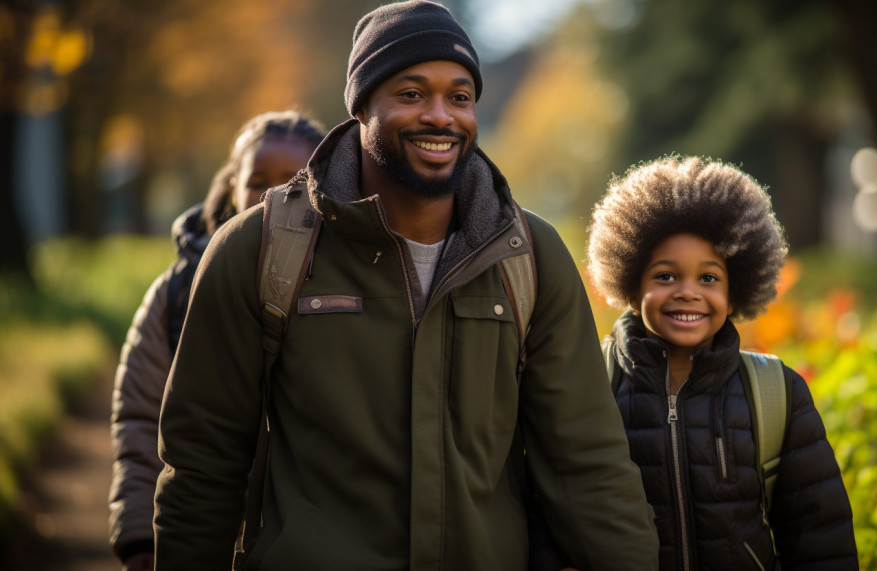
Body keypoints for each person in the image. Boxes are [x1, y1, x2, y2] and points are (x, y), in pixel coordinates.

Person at [153, 2, 658, 570]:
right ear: (362, 106)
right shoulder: (259, 250)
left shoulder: (531, 256)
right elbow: (202, 467)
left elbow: (587, 462)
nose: (441, 116)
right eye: (411, 94)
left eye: (459, 97)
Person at [585, 154, 858, 570]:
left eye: (708, 278)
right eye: (665, 276)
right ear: (630, 283)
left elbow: (820, 536)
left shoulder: (775, 394)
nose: (687, 292)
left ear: (735, 293)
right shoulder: (593, 387)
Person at [108, 110, 326, 571]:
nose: (272, 196)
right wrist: (139, 537)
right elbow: (142, 419)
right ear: (231, 187)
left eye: (294, 181)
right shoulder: (177, 291)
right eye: (257, 180)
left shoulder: (337, 290)